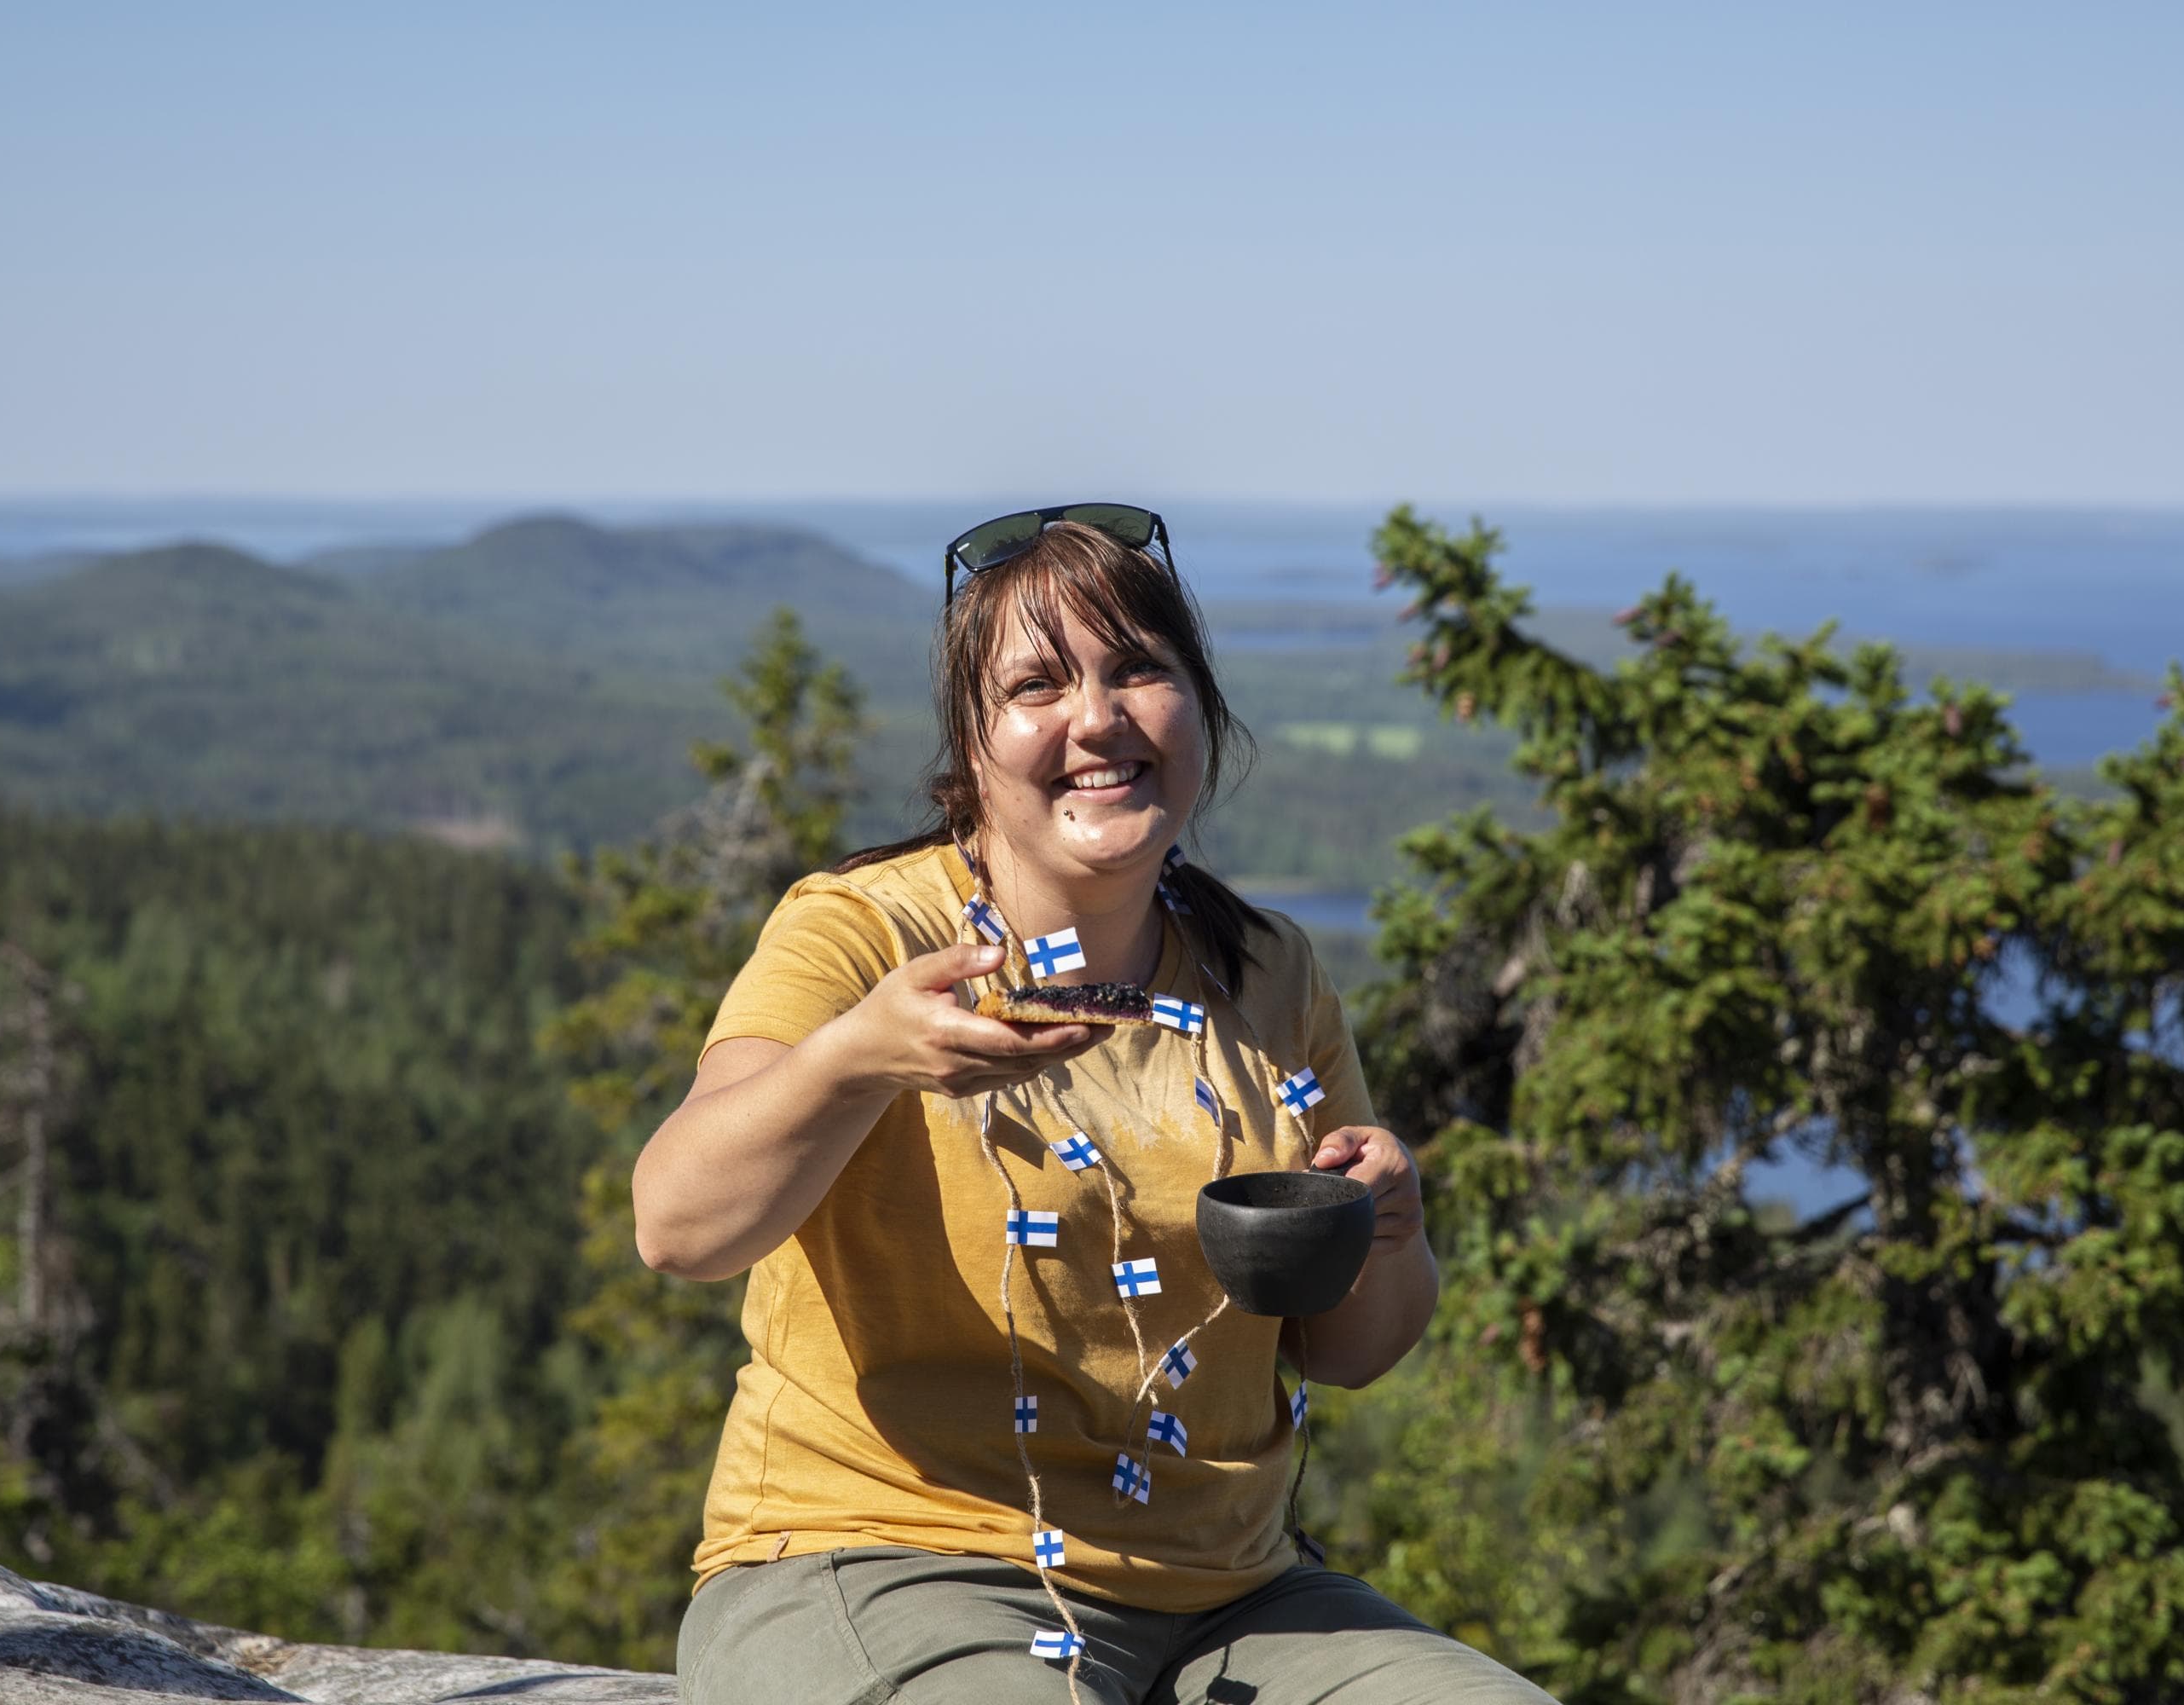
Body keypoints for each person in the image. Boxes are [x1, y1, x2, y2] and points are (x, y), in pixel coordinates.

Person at [643, 506, 1557, 1703]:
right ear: (972, 748)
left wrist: (1387, 1223)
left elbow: (1348, 1350)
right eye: (1038, 684)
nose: (1097, 718)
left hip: (1235, 1597)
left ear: (1199, 708)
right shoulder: (863, 934)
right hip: (883, 1561)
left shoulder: (1267, 974)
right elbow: (679, 1225)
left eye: (1138, 669)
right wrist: (861, 1056)